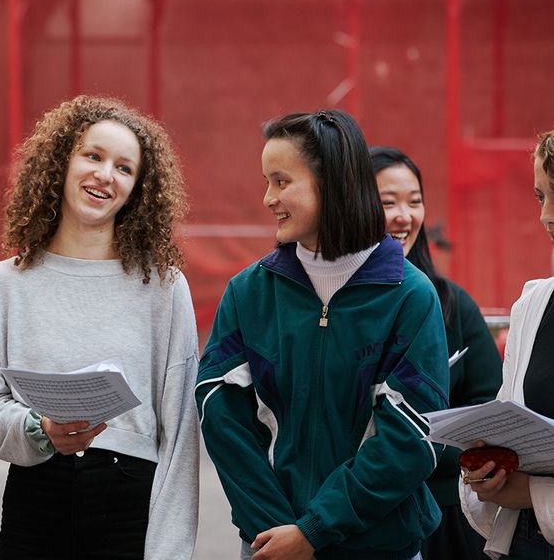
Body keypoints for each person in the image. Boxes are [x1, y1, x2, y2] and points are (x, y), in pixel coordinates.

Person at [197, 109, 449, 560]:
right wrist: (276, 530)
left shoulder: (411, 296)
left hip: (379, 546)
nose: (267, 198)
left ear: (332, 183)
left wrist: (314, 531)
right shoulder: (248, 293)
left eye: (280, 181)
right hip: (269, 544)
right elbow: (221, 417)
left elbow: (412, 437)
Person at [0, 95, 199, 560]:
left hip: (130, 506)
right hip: (35, 497)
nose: (105, 175)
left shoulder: (164, 288)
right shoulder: (4, 284)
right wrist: (39, 428)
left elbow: (180, 435)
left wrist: (169, 552)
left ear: (138, 190)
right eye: (92, 156)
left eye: (124, 168)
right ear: (60, 164)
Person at [371, 146, 503, 560]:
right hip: (359, 509)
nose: (404, 216)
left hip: (446, 512)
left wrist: (436, 456)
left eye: (415, 202)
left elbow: (490, 404)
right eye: (387, 202)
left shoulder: (452, 304)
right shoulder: (334, 309)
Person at [460, 128, 554, 559]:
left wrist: (531, 494)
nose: (546, 216)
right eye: (540, 197)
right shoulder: (532, 303)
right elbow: (508, 414)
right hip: (525, 543)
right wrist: (487, 472)